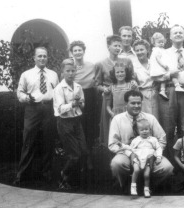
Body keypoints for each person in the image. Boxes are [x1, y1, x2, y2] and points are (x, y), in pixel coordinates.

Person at [108, 90, 173, 193]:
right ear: (126, 104)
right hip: (127, 153)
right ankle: (125, 186)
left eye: (139, 103)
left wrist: (154, 154)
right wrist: (129, 153)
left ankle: (150, 186)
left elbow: (162, 138)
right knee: (116, 164)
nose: (136, 106)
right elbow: (112, 144)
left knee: (167, 168)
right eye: (133, 103)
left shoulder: (150, 118)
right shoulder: (117, 119)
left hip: (149, 154)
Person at [14, 47, 59, 185]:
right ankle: (22, 175)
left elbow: (57, 92)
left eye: (44, 56)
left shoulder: (53, 74)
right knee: (28, 141)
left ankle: (46, 174)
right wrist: (25, 98)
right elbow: (20, 92)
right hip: (32, 109)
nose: (42, 58)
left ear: (47, 58)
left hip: (48, 109)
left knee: (48, 142)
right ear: (34, 58)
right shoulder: (26, 74)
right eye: (39, 56)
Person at [152, 24, 184, 160]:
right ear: (170, 37)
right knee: (168, 126)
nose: (178, 34)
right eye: (175, 33)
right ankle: (168, 160)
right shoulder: (163, 53)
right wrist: (168, 75)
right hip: (169, 90)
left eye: (180, 32)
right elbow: (155, 74)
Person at [94, 35, 135, 146]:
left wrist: (132, 82)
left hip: (124, 95)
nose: (117, 48)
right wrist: (104, 88)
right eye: (115, 45)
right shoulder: (100, 64)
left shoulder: (127, 61)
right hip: (109, 95)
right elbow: (96, 84)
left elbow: (132, 77)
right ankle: (112, 148)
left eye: (119, 45)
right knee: (110, 123)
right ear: (109, 47)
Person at [53, 59, 88, 189]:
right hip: (64, 122)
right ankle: (63, 177)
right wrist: (72, 104)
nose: (70, 73)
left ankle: (74, 179)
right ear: (62, 72)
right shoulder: (59, 89)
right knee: (74, 155)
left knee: (83, 151)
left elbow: (82, 105)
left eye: (73, 71)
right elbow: (60, 109)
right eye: (67, 71)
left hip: (76, 121)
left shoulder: (78, 87)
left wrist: (80, 103)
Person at [68, 40, 96, 170]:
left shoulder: (91, 66)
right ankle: (80, 159)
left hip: (90, 98)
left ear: (84, 51)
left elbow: (97, 80)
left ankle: (89, 157)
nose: (78, 52)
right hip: (76, 97)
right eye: (75, 50)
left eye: (80, 50)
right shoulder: (70, 67)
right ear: (72, 53)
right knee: (78, 128)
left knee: (89, 128)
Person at [129, 118, 163, 198]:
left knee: (147, 175)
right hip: (137, 159)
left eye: (146, 129)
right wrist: (133, 156)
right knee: (136, 170)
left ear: (150, 130)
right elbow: (131, 149)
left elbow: (158, 148)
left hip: (148, 159)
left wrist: (158, 157)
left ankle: (146, 189)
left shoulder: (153, 140)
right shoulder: (136, 140)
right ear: (137, 131)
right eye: (142, 130)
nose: (144, 131)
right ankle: (133, 188)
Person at [149, 32, 184, 100]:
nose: (161, 43)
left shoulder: (162, 50)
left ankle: (162, 91)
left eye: (162, 42)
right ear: (154, 43)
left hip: (162, 67)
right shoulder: (157, 50)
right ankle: (177, 86)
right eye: (159, 42)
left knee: (164, 80)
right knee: (171, 75)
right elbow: (158, 59)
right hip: (160, 67)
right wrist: (164, 65)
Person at [132, 39, 159, 119]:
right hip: (142, 95)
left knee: (156, 119)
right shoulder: (133, 66)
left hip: (156, 94)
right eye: (137, 50)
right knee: (144, 119)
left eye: (142, 49)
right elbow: (132, 80)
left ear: (147, 50)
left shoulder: (154, 63)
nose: (139, 52)